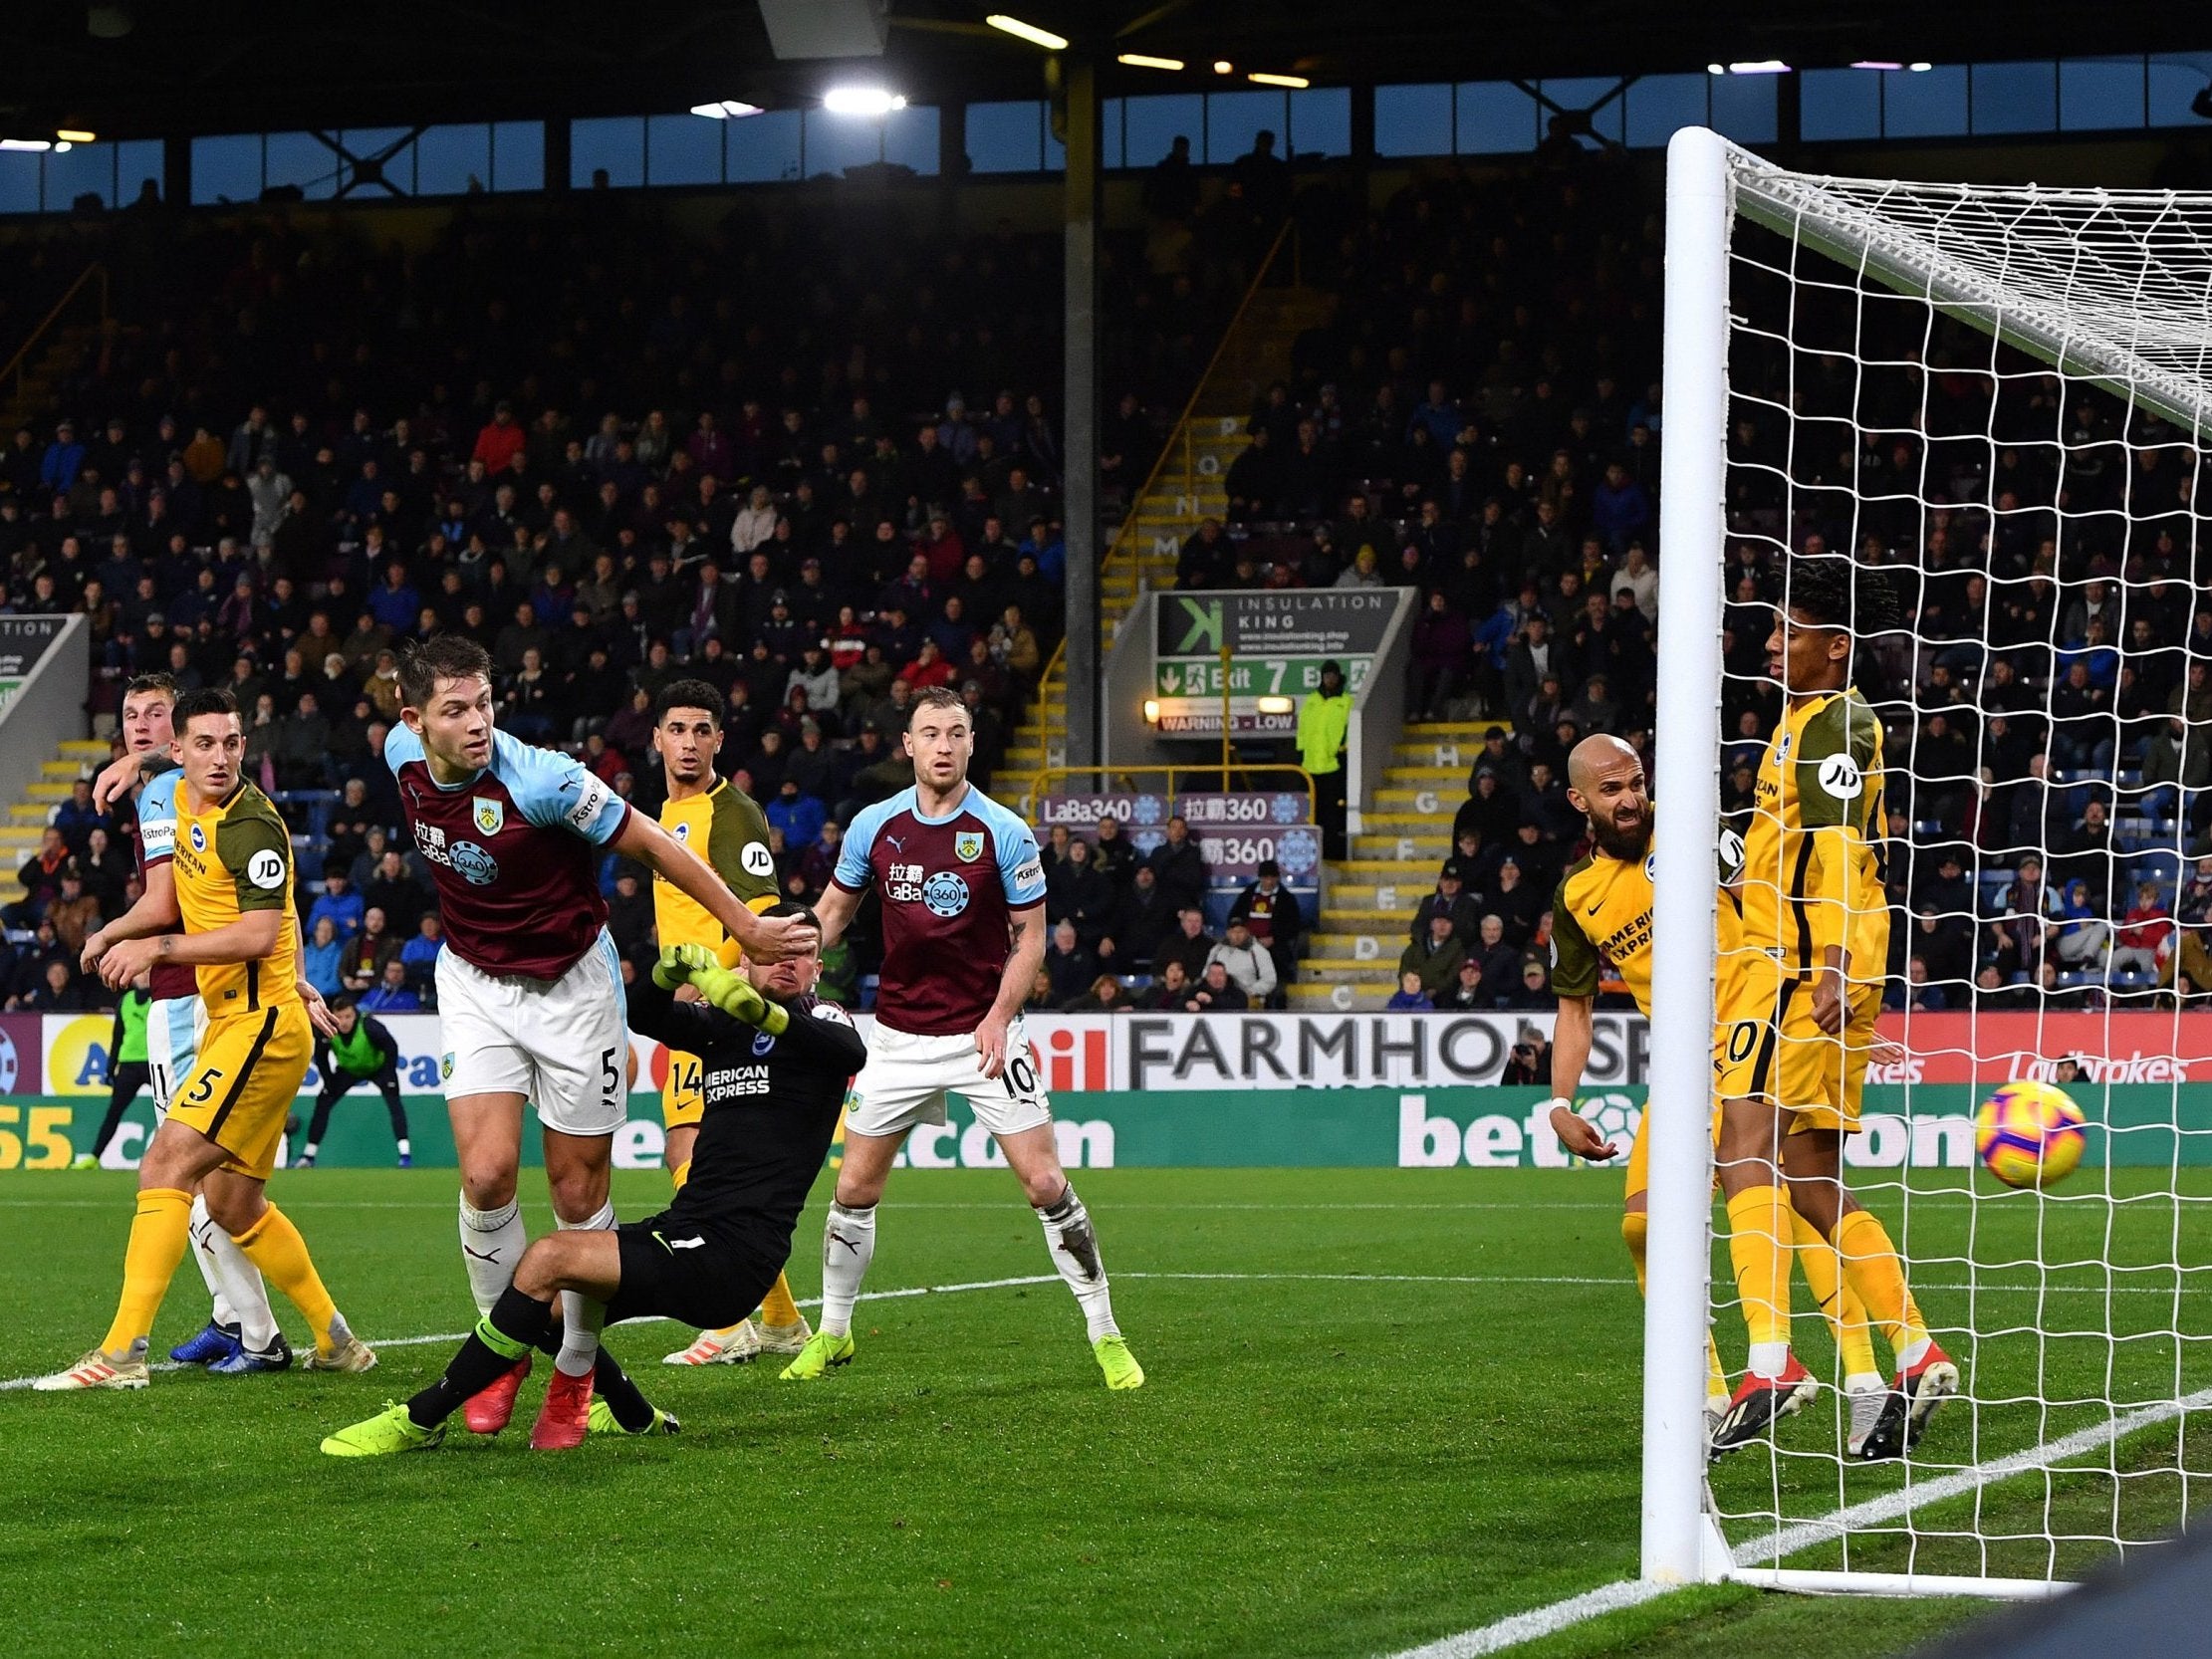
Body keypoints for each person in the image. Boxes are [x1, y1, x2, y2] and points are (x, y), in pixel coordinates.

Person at [384, 635, 806, 1447]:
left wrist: (745, 925)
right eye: (455, 711)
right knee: (485, 1173)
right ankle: (499, 1349)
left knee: (578, 1198)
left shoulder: (542, 779)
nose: (477, 723)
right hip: (474, 981)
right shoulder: (402, 755)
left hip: (573, 989)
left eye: (484, 704)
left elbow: (652, 841)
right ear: (415, 721)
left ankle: (578, 1371)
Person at [322, 915, 862, 1455]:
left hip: (734, 1257)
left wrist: (764, 1013)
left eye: (803, 952)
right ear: (744, 959)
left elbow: (848, 1053)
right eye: (772, 950)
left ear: (818, 967)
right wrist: (665, 973)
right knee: (543, 1310)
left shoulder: (822, 1016)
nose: (787, 961)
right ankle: (630, 1410)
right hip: (684, 1229)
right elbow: (646, 1014)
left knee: (548, 1258)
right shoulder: (726, 1028)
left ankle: (420, 1419)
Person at [800, 686, 1142, 1390]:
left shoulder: (1002, 832)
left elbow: (1031, 939)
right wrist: (792, 968)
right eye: (930, 734)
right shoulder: (874, 826)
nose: (943, 747)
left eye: (955, 733)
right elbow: (833, 911)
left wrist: (996, 1016)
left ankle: (1105, 1333)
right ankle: (833, 1333)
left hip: (982, 1037)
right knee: (854, 1188)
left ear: (971, 743)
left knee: (1044, 1181)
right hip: (895, 1037)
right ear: (909, 745)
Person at [43, 688, 370, 1389]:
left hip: (259, 1031)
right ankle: (336, 1340)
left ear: (245, 748)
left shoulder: (249, 824)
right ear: (182, 753)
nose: (220, 757)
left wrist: (158, 949)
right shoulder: (182, 801)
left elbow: (258, 933)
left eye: (232, 744)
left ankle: (122, 1354)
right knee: (231, 1203)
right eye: (205, 745)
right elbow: (172, 899)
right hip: (239, 1023)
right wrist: (109, 931)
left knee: (165, 1165)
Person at [1710, 561, 1953, 1459]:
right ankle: (1913, 1347)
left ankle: (1772, 1363)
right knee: (1808, 1171)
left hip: (1795, 970)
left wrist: (1833, 961)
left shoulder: (1837, 722)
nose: (1770, 644)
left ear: (1835, 644)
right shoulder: (1802, 724)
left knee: (1741, 1146)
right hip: (1808, 965)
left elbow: (1846, 849)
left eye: (1789, 631)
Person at [82, 673, 280, 1373]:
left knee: (183, 1170)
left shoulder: (167, 791)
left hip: (190, 993)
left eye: (155, 714)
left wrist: (111, 934)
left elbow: (169, 905)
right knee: (208, 1175)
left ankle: (256, 1329)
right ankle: (239, 1319)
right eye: (131, 716)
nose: (141, 725)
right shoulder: (170, 795)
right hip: (209, 993)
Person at [648, 678, 814, 1367]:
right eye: (677, 729)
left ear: (720, 739)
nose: (688, 743)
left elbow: (762, 917)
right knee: (688, 1160)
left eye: (702, 730)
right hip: (689, 1012)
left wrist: (708, 987)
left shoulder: (733, 812)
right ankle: (776, 1320)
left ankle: (731, 1319)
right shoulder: (664, 812)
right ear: (656, 737)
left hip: (716, 1012)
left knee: (695, 1165)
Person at [295, 995, 410, 1169]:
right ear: (332, 1015)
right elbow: (320, 1057)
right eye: (339, 1017)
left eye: (348, 1016)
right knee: (323, 1103)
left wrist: (390, 1075)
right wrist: (328, 1082)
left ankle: (405, 1155)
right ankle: (308, 1156)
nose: (344, 1022)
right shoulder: (327, 1028)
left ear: (355, 1014)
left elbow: (391, 1047)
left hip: (378, 1069)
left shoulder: (370, 1026)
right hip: (347, 1071)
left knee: (394, 1104)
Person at [79, 980, 152, 1167]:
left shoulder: (159, 998)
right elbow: (117, 1037)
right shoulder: (125, 1001)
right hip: (128, 1064)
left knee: (170, 1110)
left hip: (153, 1062)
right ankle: (94, 1157)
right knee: (114, 1112)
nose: (142, 975)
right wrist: (110, 1068)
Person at [1225, 857, 1304, 998]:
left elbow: (1294, 926)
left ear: (1278, 878)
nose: (1269, 882)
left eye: (1272, 878)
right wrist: (1241, 936)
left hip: (1274, 947)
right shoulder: (1248, 894)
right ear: (1260, 877)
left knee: (1279, 967)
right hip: (1245, 945)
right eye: (1265, 878)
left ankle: (1275, 1000)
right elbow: (1234, 917)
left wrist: (1274, 938)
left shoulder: (1286, 898)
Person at [1299, 661, 1352, 861]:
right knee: (1312, 812)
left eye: (1333, 675)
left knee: (1331, 812)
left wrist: (1343, 751)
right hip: (1310, 766)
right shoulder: (1311, 700)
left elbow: (1350, 729)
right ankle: (1312, 853)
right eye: (1326, 675)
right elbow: (1303, 729)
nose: (1329, 678)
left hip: (1333, 765)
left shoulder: (1346, 701)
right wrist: (1300, 752)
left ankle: (1330, 852)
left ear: (1339, 677)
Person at [1205, 917, 1277, 1004]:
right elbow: (1206, 973)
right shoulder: (1217, 950)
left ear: (1247, 932)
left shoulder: (1258, 951)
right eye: (1233, 932)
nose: (1236, 935)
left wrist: (1249, 992)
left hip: (1249, 999)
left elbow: (1270, 980)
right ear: (1227, 933)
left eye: (1240, 932)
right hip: (1219, 997)